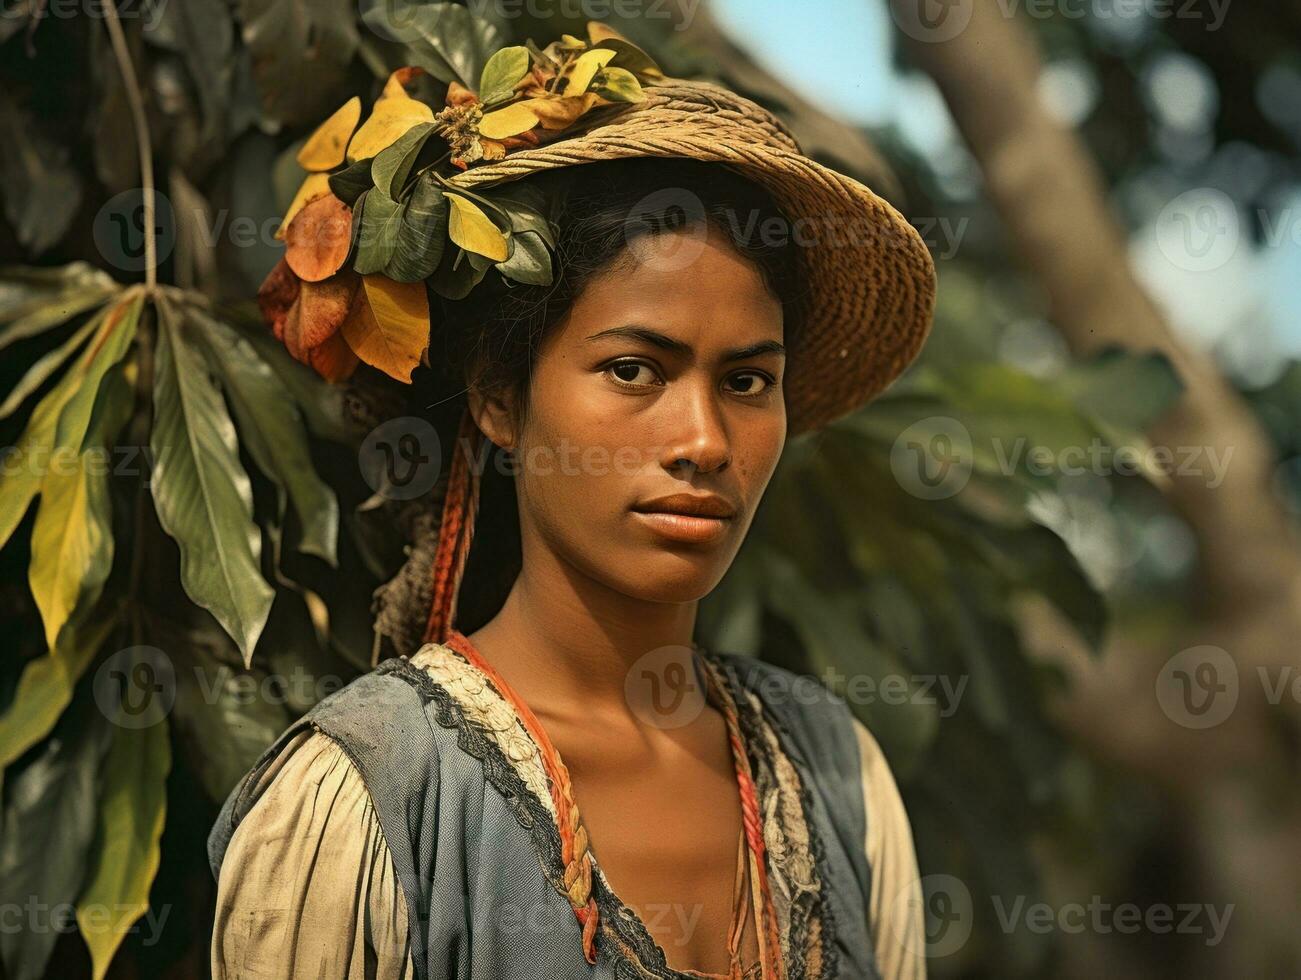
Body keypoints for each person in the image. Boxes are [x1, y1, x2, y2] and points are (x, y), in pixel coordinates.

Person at [208, 65, 936, 980]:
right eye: (634, 369)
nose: (706, 441)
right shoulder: (371, 798)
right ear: (500, 399)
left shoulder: (839, 780)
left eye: (747, 382)